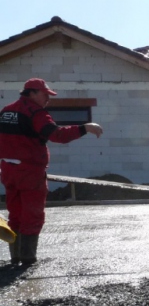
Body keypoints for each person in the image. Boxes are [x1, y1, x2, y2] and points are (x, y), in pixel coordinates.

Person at [0, 78, 103, 265]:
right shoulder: (36, 113)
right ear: (31, 93)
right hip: (29, 173)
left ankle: (15, 258)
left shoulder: (6, 111)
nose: (48, 99)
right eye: (45, 94)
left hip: (8, 171)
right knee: (32, 215)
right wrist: (84, 128)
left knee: (15, 214)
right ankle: (28, 259)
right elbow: (57, 135)